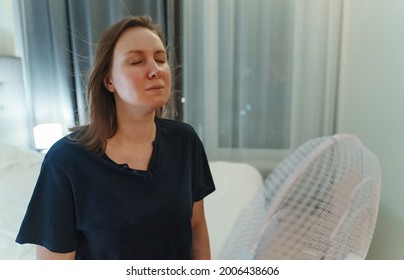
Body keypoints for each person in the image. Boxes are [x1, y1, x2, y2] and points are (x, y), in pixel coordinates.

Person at [16, 15, 215, 260]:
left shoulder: (185, 141)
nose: (155, 70)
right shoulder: (66, 160)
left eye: (161, 59)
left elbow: (196, 228)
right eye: (136, 61)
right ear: (108, 80)